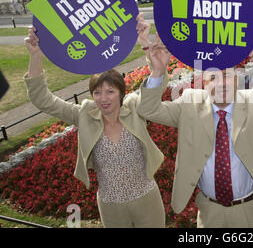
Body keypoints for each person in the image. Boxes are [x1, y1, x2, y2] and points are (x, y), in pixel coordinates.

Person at [136, 18, 253, 228]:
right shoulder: (189, 104)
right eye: (212, 77)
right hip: (209, 213)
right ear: (203, 83)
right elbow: (148, 109)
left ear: (237, 79)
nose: (221, 83)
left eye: (226, 76)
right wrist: (158, 72)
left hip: (251, 212)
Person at [23, 14, 166, 228]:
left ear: (121, 92)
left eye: (110, 91)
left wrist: (146, 46)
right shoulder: (84, 114)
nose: (104, 98)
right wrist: (36, 56)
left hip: (147, 199)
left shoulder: (135, 107)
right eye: (97, 92)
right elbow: (43, 99)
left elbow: (155, 87)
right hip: (111, 206)